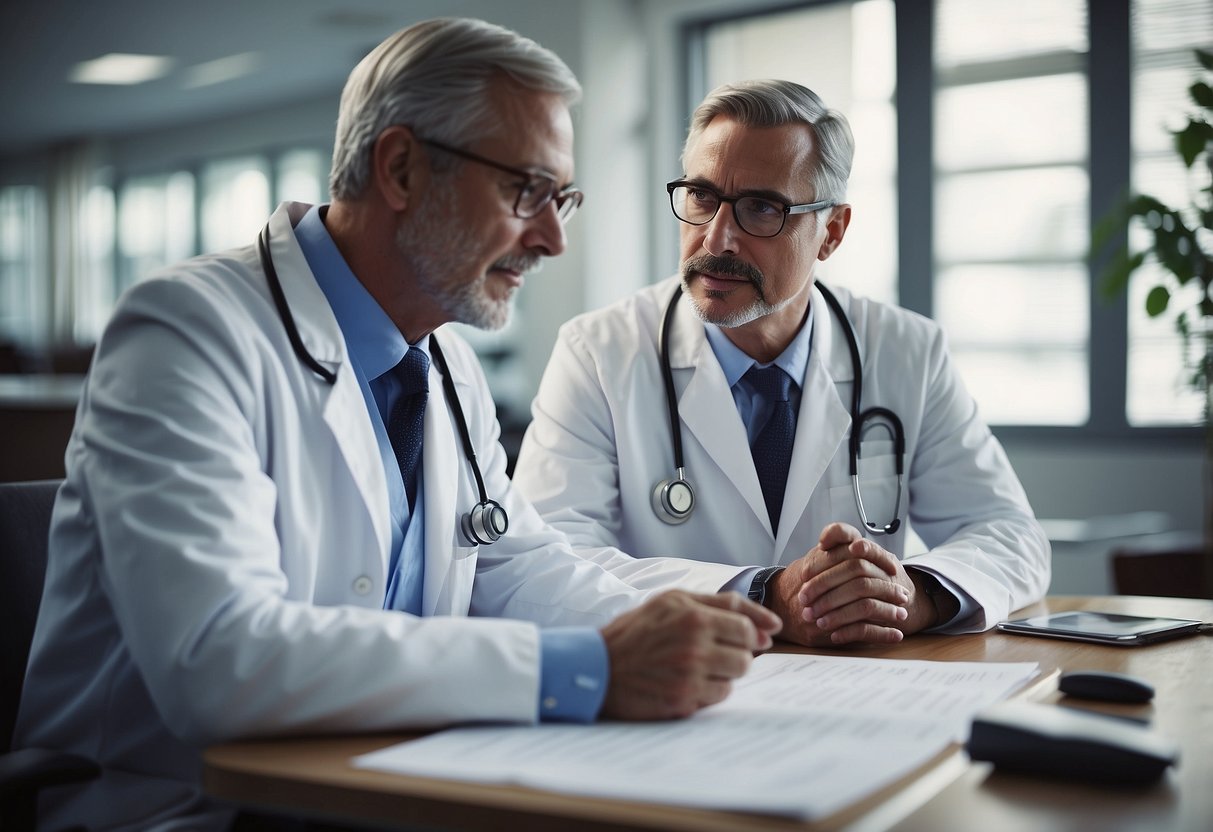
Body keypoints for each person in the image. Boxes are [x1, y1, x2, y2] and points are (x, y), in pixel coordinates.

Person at [13, 19, 781, 831]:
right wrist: (587, 668)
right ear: (402, 168)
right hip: (176, 807)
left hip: (388, 785)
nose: (553, 238)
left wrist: (732, 618)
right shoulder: (185, 333)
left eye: (562, 199)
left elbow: (521, 572)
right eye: (526, 191)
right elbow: (220, 658)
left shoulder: (445, 364)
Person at [513, 79, 1050, 648]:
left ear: (831, 233)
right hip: (670, 694)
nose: (716, 238)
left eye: (762, 208)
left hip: (863, 694)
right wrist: (760, 595)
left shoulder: (906, 350)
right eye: (700, 197)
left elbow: (1010, 535)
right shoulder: (598, 352)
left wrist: (910, 595)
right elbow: (549, 563)